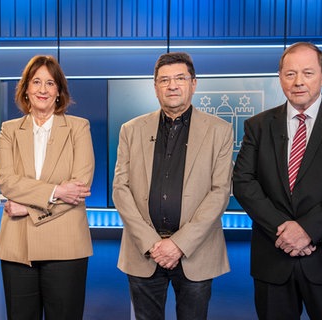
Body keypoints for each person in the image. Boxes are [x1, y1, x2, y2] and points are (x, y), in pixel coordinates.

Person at [233, 42, 322, 319]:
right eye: (290, 74)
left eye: (308, 73)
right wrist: (284, 230)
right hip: (274, 258)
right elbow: (243, 182)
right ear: (280, 78)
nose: (298, 81)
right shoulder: (258, 125)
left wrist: (307, 229)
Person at [112, 52, 234, 319]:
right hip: (144, 251)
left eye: (180, 78)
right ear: (155, 87)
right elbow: (120, 189)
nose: (172, 85)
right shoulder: (130, 130)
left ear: (194, 83)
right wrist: (152, 243)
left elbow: (220, 191)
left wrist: (179, 244)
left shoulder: (220, 130)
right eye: (164, 80)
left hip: (196, 252)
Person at [0, 55, 95, 320]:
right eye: (36, 82)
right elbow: (7, 180)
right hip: (18, 246)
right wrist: (57, 191)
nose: (42, 89)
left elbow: (80, 186)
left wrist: (28, 209)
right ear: (25, 89)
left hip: (66, 246)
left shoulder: (78, 127)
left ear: (59, 91)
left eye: (50, 83)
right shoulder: (9, 130)